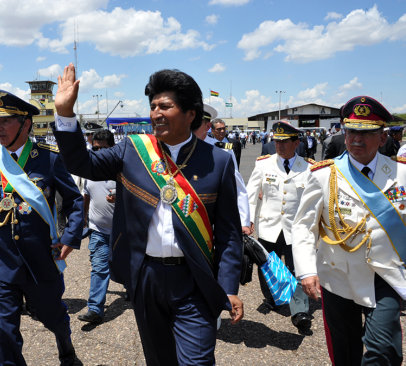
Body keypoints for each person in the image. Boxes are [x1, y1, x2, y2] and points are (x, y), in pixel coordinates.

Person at [53, 63, 243, 365]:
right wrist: (65, 115)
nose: (156, 113)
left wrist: (229, 287)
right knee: (159, 360)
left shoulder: (218, 162)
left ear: (190, 113)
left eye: (165, 106)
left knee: (198, 362)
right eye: (153, 106)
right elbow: (80, 163)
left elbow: (230, 233)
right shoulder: (132, 149)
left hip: (194, 280)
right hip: (145, 278)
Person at [0, 90, 84, 366]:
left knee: (54, 318)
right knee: (4, 331)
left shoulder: (49, 159)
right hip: (1, 263)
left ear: (25, 124)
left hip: (42, 261)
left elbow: (75, 201)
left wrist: (70, 238)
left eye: (6, 121)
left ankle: (67, 351)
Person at [292, 96, 406, 365]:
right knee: (345, 351)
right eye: (352, 131)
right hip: (338, 274)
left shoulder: (400, 174)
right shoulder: (323, 175)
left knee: (385, 350)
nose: (357, 139)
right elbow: (304, 225)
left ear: (382, 137)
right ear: (344, 135)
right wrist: (307, 271)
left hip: (384, 274)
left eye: (366, 133)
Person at [246, 121, 313, 333]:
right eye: (276, 141)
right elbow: (250, 194)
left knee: (298, 268)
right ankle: (272, 299)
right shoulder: (263, 164)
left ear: (296, 143)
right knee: (267, 267)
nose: (280, 146)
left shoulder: (309, 168)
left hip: (297, 229)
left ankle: (299, 310)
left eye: (285, 142)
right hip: (269, 225)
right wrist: (247, 220)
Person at [77, 130, 117, 325]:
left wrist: (121, 197)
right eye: (95, 148)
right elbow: (86, 195)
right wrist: (83, 218)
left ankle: (132, 291)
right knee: (100, 267)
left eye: (103, 148)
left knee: (126, 267)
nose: (98, 152)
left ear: (112, 148)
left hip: (122, 232)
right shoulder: (90, 171)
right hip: (98, 230)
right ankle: (95, 308)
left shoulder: (123, 170)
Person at [195, 104, 252, 235]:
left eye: (195, 124)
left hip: (214, 219)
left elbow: (237, 186)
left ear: (207, 126)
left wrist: (244, 221)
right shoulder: (175, 148)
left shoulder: (223, 149)